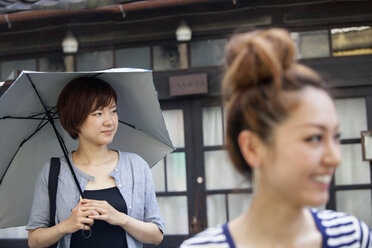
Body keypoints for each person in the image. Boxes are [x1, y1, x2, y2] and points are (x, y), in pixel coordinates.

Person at [180, 28, 371, 247]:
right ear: (252, 148)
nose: (335, 158)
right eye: (315, 138)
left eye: (336, 137)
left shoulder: (352, 237)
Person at [27, 77, 164, 248]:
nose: (110, 121)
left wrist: (120, 218)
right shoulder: (54, 170)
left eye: (113, 111)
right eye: (98, 113)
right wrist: (66, 226)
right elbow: (34, 241)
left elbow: (156, 235)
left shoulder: (136, 166)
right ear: (76, 120)